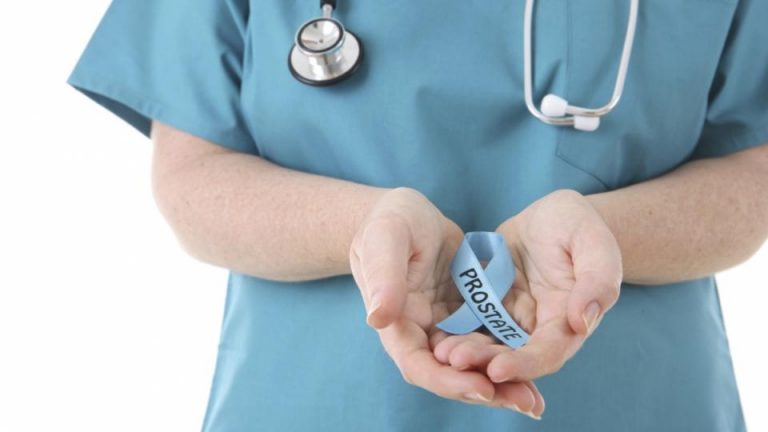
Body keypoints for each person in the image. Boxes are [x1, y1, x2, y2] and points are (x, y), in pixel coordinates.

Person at [68, 0, 768, 430]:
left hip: (634, 405)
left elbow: (754, 174)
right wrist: (360, 227)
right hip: (317, 406)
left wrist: (604, 233)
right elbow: (193, 178)